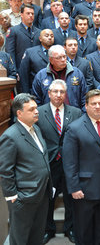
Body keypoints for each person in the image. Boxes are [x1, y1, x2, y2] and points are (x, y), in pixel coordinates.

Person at [63, 89, 100, 245]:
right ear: (86, 106)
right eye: (94, 103)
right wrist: (74, 187)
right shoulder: (74, 128)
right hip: (84, 189)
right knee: (84, 231)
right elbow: (69, 162)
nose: (97, 106)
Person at [0, 93, 52, 245]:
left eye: (36, 108)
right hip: (23, 198)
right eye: (31, 109)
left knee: (37, 236)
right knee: (20, 238)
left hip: (41, 193)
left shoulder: (36, 128)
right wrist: (12, 197)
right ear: (19, 113)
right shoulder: (10, 136)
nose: (37, 111)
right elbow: (5, 170)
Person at [37, 80, 82, 244]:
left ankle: (70, 228)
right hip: (49, 163)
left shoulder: (76, 112)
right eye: (55, 91)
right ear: (49, 93)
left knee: (71, 199)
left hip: (70, 164)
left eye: (61, 92)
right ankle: (48, 229)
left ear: (66, 94)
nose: (58, 95)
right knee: (48, 198)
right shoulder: (39, 112)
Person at [32, 45, 87, 112]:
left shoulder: (77, 73)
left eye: (64, 56)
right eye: (59, 58)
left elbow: (85, 98)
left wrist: (82, 115)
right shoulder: (41, 76)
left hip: (74, 116)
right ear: (51, 60)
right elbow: (36, 100)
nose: (63, 60)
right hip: (49, 117)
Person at [5, 4, 41, 71]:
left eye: (32, 14)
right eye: (28, 13)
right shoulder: (13, 31)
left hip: (36, 70)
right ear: (21, 15)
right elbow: (10, 53)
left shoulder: (39, 32)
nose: (30, 15)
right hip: (21, 69)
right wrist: (14, 71)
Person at [19, 29, 54, 93]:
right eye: (46, 36)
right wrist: (26, 94)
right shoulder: (30, 52)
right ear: (40, 38)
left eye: (52, 36)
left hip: (54, 90)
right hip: (36, 90)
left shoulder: (58, 51)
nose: (49, 38)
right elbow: (24, 75)